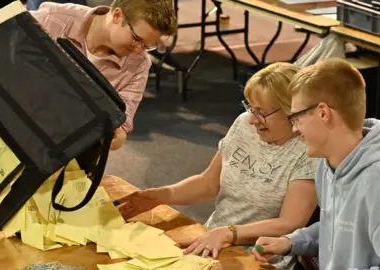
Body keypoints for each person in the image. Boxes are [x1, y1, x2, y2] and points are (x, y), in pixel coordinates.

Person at [115, 63, 318, 262]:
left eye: (262, 112)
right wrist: (160, 196)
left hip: (259, 257)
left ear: (291, 111)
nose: (252, 120)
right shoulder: (244, 125)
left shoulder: (308, 151)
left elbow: (289, 224)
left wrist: (229, 233)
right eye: (250, 108)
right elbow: (208, 183)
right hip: (213, 239)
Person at [252, 58, 380, 269]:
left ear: (323, 113)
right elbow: (339, 227)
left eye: (296, 118)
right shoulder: (328, 162)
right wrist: (291, 242)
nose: (295, 129)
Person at [30, 0, 177, 150]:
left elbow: (122, 124)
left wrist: (117, 135)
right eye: (137, 39)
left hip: (64, 151)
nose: (139, 50)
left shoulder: (139, 64)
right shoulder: (53, 19)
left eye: (148, 46)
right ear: (117, 16)